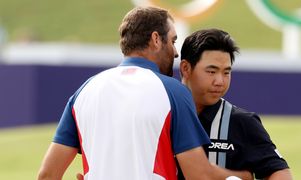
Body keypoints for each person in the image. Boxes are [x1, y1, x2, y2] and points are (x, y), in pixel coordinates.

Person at [37, 7, 253, 180]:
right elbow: (199, 175)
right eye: (173, 40)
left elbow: (47, 175)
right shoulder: (173, 91)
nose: (176, 51)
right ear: (156, 39)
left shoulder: (85, 90)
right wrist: (241, 176)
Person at [179, 28, 293, 179]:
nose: (220, 81)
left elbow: (280, 172)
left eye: (226, 72)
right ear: (185, 68)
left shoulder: (243, 122)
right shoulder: (162, 113)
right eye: (211, 71)